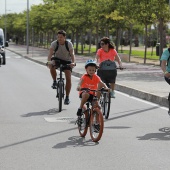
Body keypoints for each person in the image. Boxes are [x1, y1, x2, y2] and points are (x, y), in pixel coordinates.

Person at [47, 30, 76, 105]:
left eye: (61, 37)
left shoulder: (69, 44)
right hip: (57, 60)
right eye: (58, 37)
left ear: (64, 37)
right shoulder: (54, 43)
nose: (59, 38)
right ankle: (54, 81)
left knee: (68, 78)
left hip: (67, 61)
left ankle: (67, 97)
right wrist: (49, 62)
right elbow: (50, 53)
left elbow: (72, 53)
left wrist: (73, 62)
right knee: (52, 64)